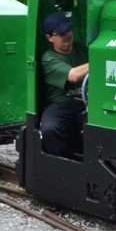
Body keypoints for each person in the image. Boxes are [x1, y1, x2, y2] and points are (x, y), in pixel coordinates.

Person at [39, 11, 88, 157]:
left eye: (68, 30)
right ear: (49, 37)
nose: (67, 35)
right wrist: (100, 61)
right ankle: (53, 163)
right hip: (61, 105)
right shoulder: (48, 58)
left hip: (85, 103)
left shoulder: (81, 48)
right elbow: (73, 75)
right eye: (61, 33)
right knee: (50, 128)